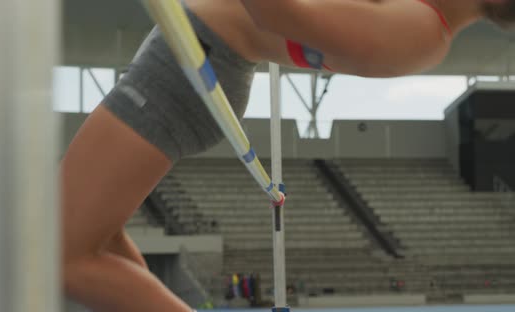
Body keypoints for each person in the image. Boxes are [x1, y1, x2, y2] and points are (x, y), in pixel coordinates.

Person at [61, 0, 515, 311]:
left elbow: (277, 12)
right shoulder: (415, 15)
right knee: (92, 238)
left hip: (187, 76)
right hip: (187, 54)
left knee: (62, 254)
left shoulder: (417, 32)